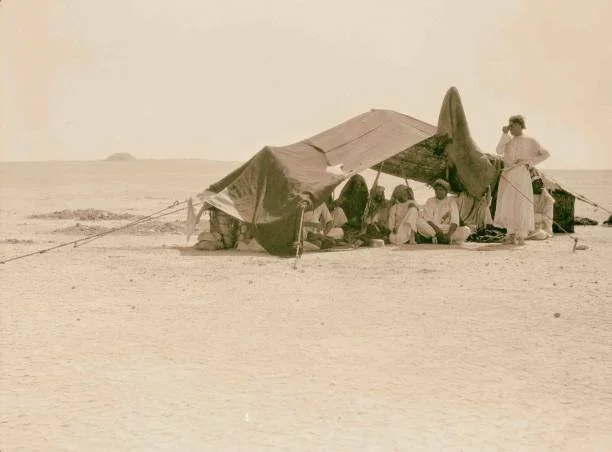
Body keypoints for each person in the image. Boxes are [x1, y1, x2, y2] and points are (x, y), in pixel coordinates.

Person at [494, 115, 550, 245]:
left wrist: (529, 163)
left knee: (521, 202)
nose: (511, 128)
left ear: (520, 125)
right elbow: (498, 151)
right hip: (508, 175)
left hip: (522, 174)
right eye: (509, 125)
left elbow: (545, 153)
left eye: (512, 125)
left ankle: (520, 235)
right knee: (508, 203)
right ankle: (510, 234)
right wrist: (504, 133)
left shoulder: (530, 140)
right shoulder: (508, 140)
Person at [416, 179, 471, 244]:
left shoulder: (451, 202)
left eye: (440, 190)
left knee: (466, 230)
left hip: (446, 229)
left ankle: (434, 239)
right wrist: (437, 230)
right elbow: (428, 219)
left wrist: (448, 235)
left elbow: (454, 221)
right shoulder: (430, 201)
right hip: (433, 228)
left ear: (446, 191)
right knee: (418, 221)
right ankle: (439, 239)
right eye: (436, 189)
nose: (437, 192)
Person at [527, 174, 555, 240]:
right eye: (536, 183)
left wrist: (534, 217)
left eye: (541, 183)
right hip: (528, 225)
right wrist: (540, 217)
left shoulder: (548, 200)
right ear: (531, 185)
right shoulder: (526, 198)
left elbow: (548, 218)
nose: (539, 185)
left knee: (541, 234)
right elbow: (525, 216)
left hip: (543, 226)